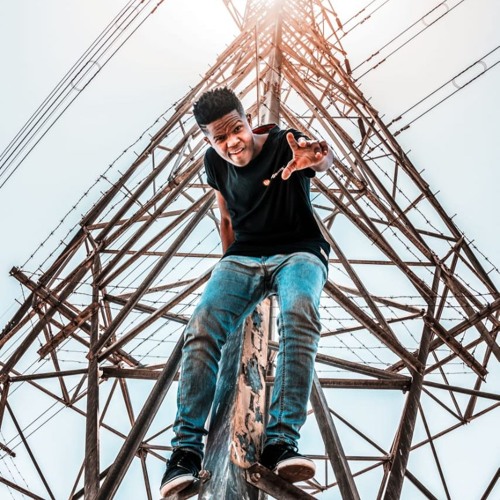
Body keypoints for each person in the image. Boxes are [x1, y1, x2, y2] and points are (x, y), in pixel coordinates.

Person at [160, 87, 333, 497]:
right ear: (208, 140)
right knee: (202, 327)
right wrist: (230, 276)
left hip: (298, 252)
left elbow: (320, 158)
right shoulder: (213, 163)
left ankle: (281, 442)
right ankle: (185, 452)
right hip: (243, 257)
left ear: (248, 120)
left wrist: (319, 159)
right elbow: (225, 217)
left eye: (236, 130)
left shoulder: (284, 142)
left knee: (300, 314)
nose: (232, 143)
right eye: (219, 138)